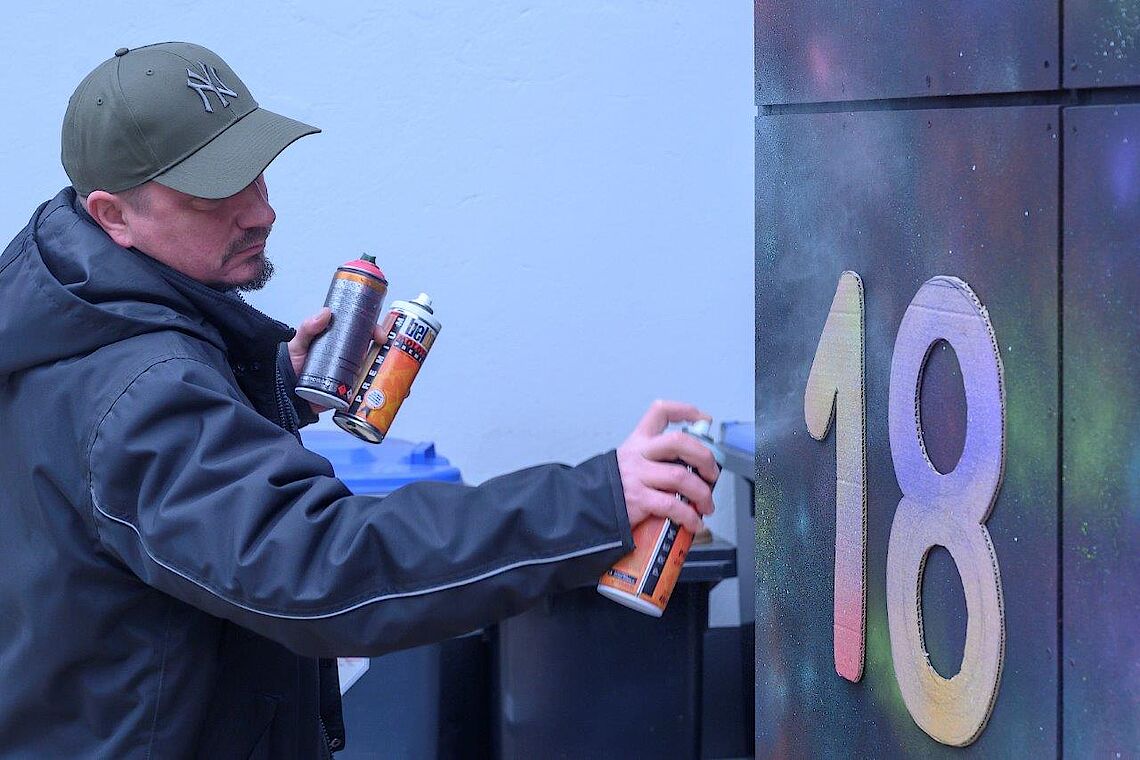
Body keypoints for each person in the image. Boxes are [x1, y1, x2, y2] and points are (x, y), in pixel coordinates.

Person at [0, 42, 718, 757]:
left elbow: (136, 502)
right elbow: (319, 566)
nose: (261, 212)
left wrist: (267, 390)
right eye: (211, 196)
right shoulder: (142, 390)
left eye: (256, 175)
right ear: (114, 216)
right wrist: (595, 503)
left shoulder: (63, 324)